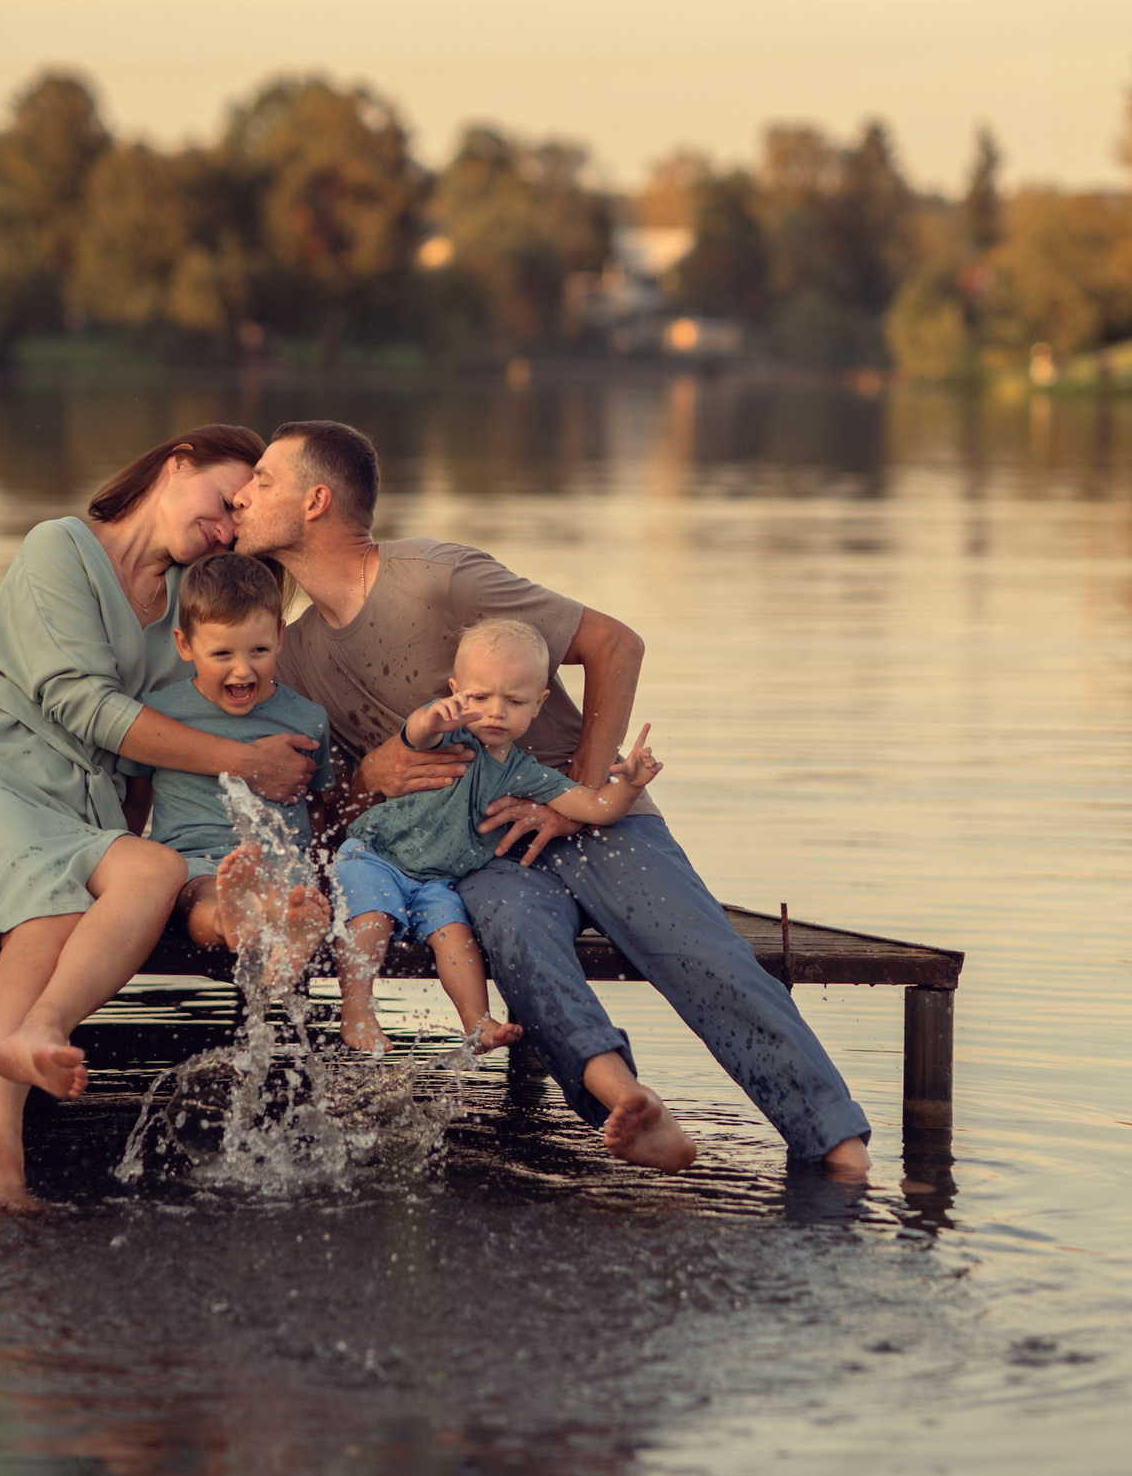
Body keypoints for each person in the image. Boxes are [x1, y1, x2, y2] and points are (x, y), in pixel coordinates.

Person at [232, 419, 872, 1179]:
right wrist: (370, 778)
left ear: (316, 500)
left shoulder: (437, 577)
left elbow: (615, 644)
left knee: (697, 949)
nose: (241, 496)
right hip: (490, 851)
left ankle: (836, 1145)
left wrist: (579, 796)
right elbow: (333, 809)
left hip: (595, 818)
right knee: (520, 950)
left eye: (262, 480)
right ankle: (630, 1109)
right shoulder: (298, 658)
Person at [0, 426, 319, 1207]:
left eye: (238, 520)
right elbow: (87, 706)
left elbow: (239, 673)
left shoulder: (189, 600)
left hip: (75, 808)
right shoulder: (61, 549)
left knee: (155, 866)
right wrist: (243, 761)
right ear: (178, 463)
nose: (224, 527)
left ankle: (40, 1031)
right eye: (222, 501)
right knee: (48, 908)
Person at [333, 617, 662, 1057]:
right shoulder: (445, 733)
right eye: (480, 696)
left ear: (538, 704)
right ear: (455, 691)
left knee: (455, 935)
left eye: (514, 700)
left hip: (436, 882)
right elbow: (415, 733)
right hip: (375, 857)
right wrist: (430, 717)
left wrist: (631, 785)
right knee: (372, 918)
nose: (495, 711)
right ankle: (356, 1011)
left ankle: (476, 1024)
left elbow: (593, 807)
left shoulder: (522, 773)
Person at [132, 551, 334, 988]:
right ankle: (233, 920)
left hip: (280, 860)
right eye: (222, 652)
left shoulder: (307, 718)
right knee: (199, 897)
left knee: (294, 893)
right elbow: (135, 797)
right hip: (188, 860)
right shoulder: (158, 715)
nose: (243, 669)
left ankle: (287, 938)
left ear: (281, 637)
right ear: (185, 645)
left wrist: (318, 866)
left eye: (259, 650)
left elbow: (315, 804)